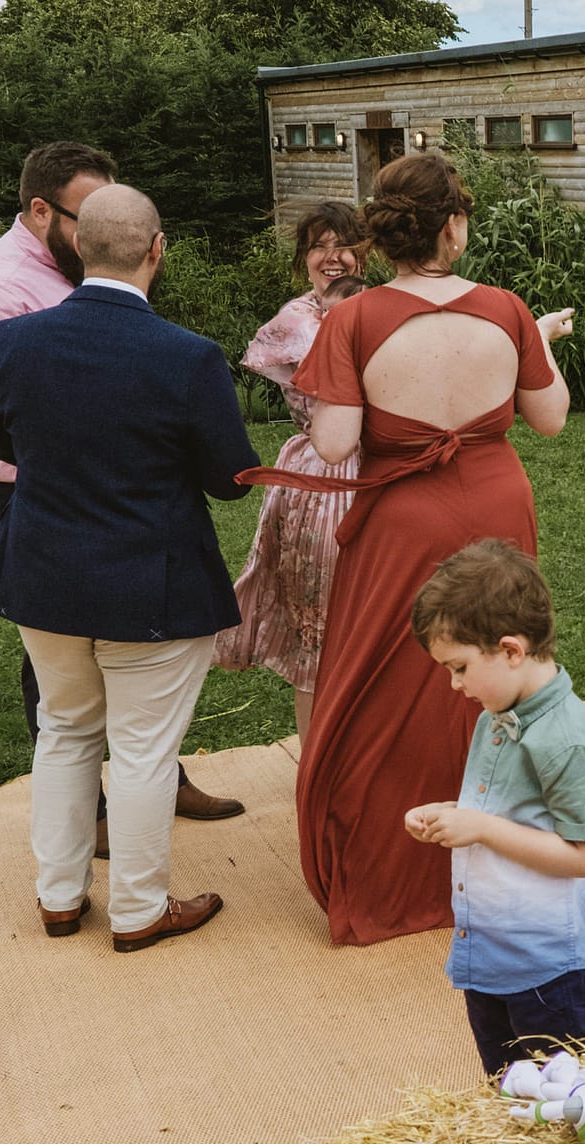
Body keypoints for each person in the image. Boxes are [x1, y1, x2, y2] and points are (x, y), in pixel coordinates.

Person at [238, 152, 573, 946]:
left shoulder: (351, 320)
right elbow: (552, 417)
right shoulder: (505, 307)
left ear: (384, 236)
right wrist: (541, 342)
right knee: (505, 671)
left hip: (404, 518)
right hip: (496, 500)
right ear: (453, 226)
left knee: (388, 688)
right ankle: (508, 855)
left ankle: (396, 875)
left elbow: (335, 439)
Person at [0, 184, 261, 951]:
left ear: (78, 247)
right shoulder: (188, 356)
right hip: (150, 585)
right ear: (156, 249)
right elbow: (230, 480)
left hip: (41, 575)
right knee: (140, 748)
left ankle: (60, 898)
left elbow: (1, 448)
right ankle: (137, 910)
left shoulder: (13, 341)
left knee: (63, 731)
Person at [403, 539, 585, 1078]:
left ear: (512, 650)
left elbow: (584, 855)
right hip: (489, 957)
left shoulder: (566, 740)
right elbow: (505, 813)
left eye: (459, 668)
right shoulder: (496, 717)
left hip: (544, 971)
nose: (454, 685)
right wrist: (450, 812)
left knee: (570, 1098)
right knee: (510, 1095)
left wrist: (479, 827)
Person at [215, 202, 372, 742]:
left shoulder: (379, 305)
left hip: (387, 471)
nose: (332, 257)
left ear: (364, 251)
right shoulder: (298, 322)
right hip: (326, 477)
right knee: (320, 629)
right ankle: (317, 767)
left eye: (343, 245)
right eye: (318, 246)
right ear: (304, 258)